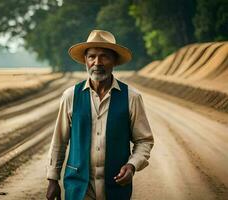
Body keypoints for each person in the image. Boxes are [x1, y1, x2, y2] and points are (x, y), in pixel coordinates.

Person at [46, 30, 154, 200]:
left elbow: (144, 141)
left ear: (114, 61)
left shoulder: (131, 97)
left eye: (104, 56)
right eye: (92, 57)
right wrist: (52, 179)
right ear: (85, 61)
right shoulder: (70, 96)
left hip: (116, 189)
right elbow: (59, 141)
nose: (97, 62)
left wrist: (132, 165)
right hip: (78, 188)